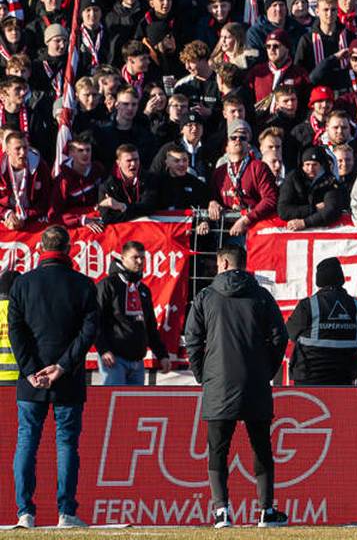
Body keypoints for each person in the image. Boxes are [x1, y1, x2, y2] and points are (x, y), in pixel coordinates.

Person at [183, 245, 289, 528]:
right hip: (255, 382)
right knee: (261, 447)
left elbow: (192, 339)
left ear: (225, 263)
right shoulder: (262, 296)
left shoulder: (205, 296)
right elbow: (280, 337)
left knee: (218, 449)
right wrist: (266, 369)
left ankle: (221, 511)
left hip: (218, 383)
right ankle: (266, 511)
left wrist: (202, 374)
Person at [7, 225, 98, 529]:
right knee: (66, 444)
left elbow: (16, 333)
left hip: (30, 380)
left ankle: (25, 512)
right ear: (69, 249)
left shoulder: (22, 285)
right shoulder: (83, 285)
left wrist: (31, 369)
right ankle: (66, 513)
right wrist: (62, 366)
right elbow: (88, 334)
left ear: (41, 249)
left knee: (27, 442)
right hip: (67, 377)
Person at [95, 241, 171, 385]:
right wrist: (103, 349)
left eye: (142, 257)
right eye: (135, 257)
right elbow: (95, 321)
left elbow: (150, 326)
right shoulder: (107, 285)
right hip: (114, 360)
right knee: (115, 405)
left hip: (137, 361)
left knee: (134, 407)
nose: (139, 261)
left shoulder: (143, 289)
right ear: (122, 258)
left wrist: (162, 355)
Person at [285, 257, 357, 385]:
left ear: (319, 280)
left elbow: (290, 332)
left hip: (310, 378)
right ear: (341, 279)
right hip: (344, 378)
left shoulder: (309, 305)